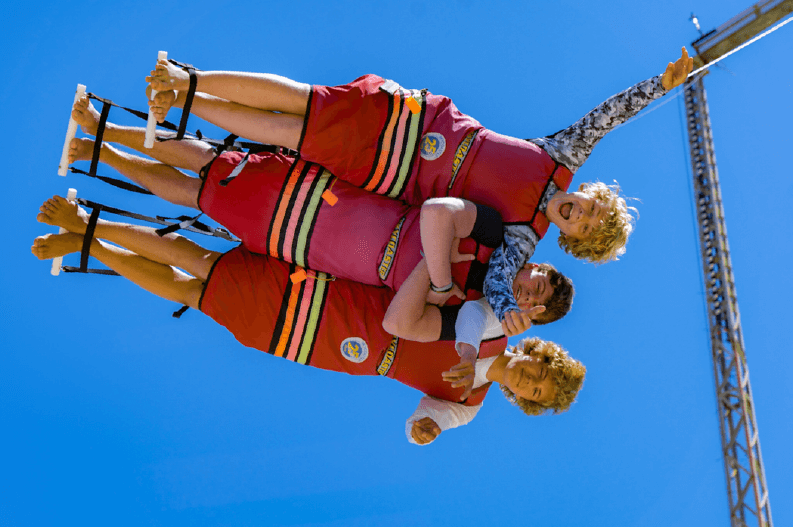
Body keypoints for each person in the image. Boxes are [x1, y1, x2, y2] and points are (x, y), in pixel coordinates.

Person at [145, 47, 694, 329]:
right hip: (414, 122)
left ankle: (182, 100)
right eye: (598, 208)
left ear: (572, 239)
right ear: (596, 192)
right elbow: (608, 116)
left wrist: (510, 314)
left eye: (589, 227)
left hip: (389, 170)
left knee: (295, 131)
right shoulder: (560, 157)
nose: (586, 214)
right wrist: (661, 85)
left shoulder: (524, 239)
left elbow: (499, 289)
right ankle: (189, 80)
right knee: (304, 101)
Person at [32, 196, 585, 445]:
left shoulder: (469, 407)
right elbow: (469, 313)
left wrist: (424, 431)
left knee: (198, 293)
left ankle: (89, 242)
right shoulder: (493, 319)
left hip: (336, 345)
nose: (529, 376)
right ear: (540, 352)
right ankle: (87, 223)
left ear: (526, 401)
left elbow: (430, 420)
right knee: (206, 261)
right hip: (347, 298)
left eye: (535, 389)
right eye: (542, 368)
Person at [67, 97, 573, 336]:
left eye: (535, 304)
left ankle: (97, 153)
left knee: (193, 196)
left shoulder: (465, 313)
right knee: (207, 162)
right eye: (540, 284)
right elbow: (437, 213)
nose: (529, 291)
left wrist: (434, 280)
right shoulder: (495, 233)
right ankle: (103, 126)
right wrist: (441, 273)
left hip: (297, 242)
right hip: (321, 196)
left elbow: (397, 323)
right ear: (539, 267)